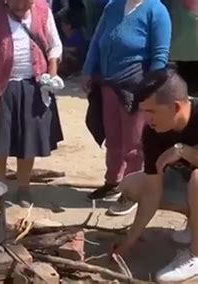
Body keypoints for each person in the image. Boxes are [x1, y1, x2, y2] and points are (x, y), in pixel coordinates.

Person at [0, 0, 64, 208]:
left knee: (28, 144)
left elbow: (55, 45)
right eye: (15, 4)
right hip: (0, 88)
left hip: (34, 86)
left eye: (25, 4)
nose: (19, 9)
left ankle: (24, 188)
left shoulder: (43, 12)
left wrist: (51, 71)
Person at [82, 0, 171, 211]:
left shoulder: (156, 10)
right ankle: (112, 181)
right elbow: (96, 41)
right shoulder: (112, 6)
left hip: (137, 87)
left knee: (134, 145)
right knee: (112, 138)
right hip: (108, 85)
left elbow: (160, 56)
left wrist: (150, 90)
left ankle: (132, 192)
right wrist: (87, 70)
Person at [111, 69, 198, 282]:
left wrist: (182, 150)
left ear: (176, 107)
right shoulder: (153, 132)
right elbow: (152, 192)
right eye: (143, 112)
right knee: (132, 185)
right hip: (188, 188)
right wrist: (128, 243)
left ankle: (195, 254)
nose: (146, 119)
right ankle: (194, 225)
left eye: (152, 112)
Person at [58, 11, 86, 78]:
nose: (62, 28)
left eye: (63, 25)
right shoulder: (65, 38)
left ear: (69, 26)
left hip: (78, 61)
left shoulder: (76, 36)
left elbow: (77, 49)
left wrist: (64, 49)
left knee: (66, 56)